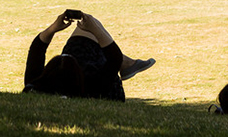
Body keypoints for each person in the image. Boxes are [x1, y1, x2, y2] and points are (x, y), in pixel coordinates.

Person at [23, 11, 156, 101]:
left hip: (86, 70)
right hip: (109, 87)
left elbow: (36, 50)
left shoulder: (36, 85)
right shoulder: (95, 86)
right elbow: (115, 59)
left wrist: (53, 28)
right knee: (90, 24)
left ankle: (127, 63)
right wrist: (95, 29)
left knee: (86, 32)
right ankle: (126, 64)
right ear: (79, 71)